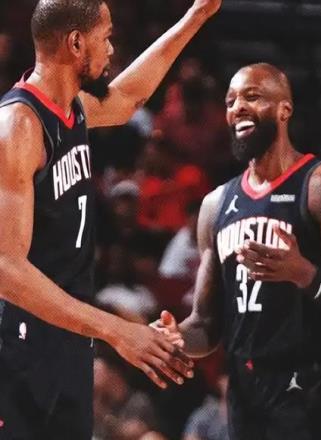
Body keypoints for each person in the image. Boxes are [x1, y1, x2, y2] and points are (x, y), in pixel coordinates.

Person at [0, 0, 221, 438]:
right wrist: (117, 330)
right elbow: (6, 269)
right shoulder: (19, 127)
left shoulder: (71, 109)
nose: (111, 48)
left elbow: (129, 97)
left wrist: (195, 16)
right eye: (105, 37)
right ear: (76, 43)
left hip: (67, 337)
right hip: (19, 346)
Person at [154, 63, 321, 439]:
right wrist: (174, 340)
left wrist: (303, 273)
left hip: (310, 383)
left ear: (284, 109)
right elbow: (206, 326)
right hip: (245, 390)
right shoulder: (215, 205)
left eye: (252, 96)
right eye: (231, 101)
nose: (238, 107)